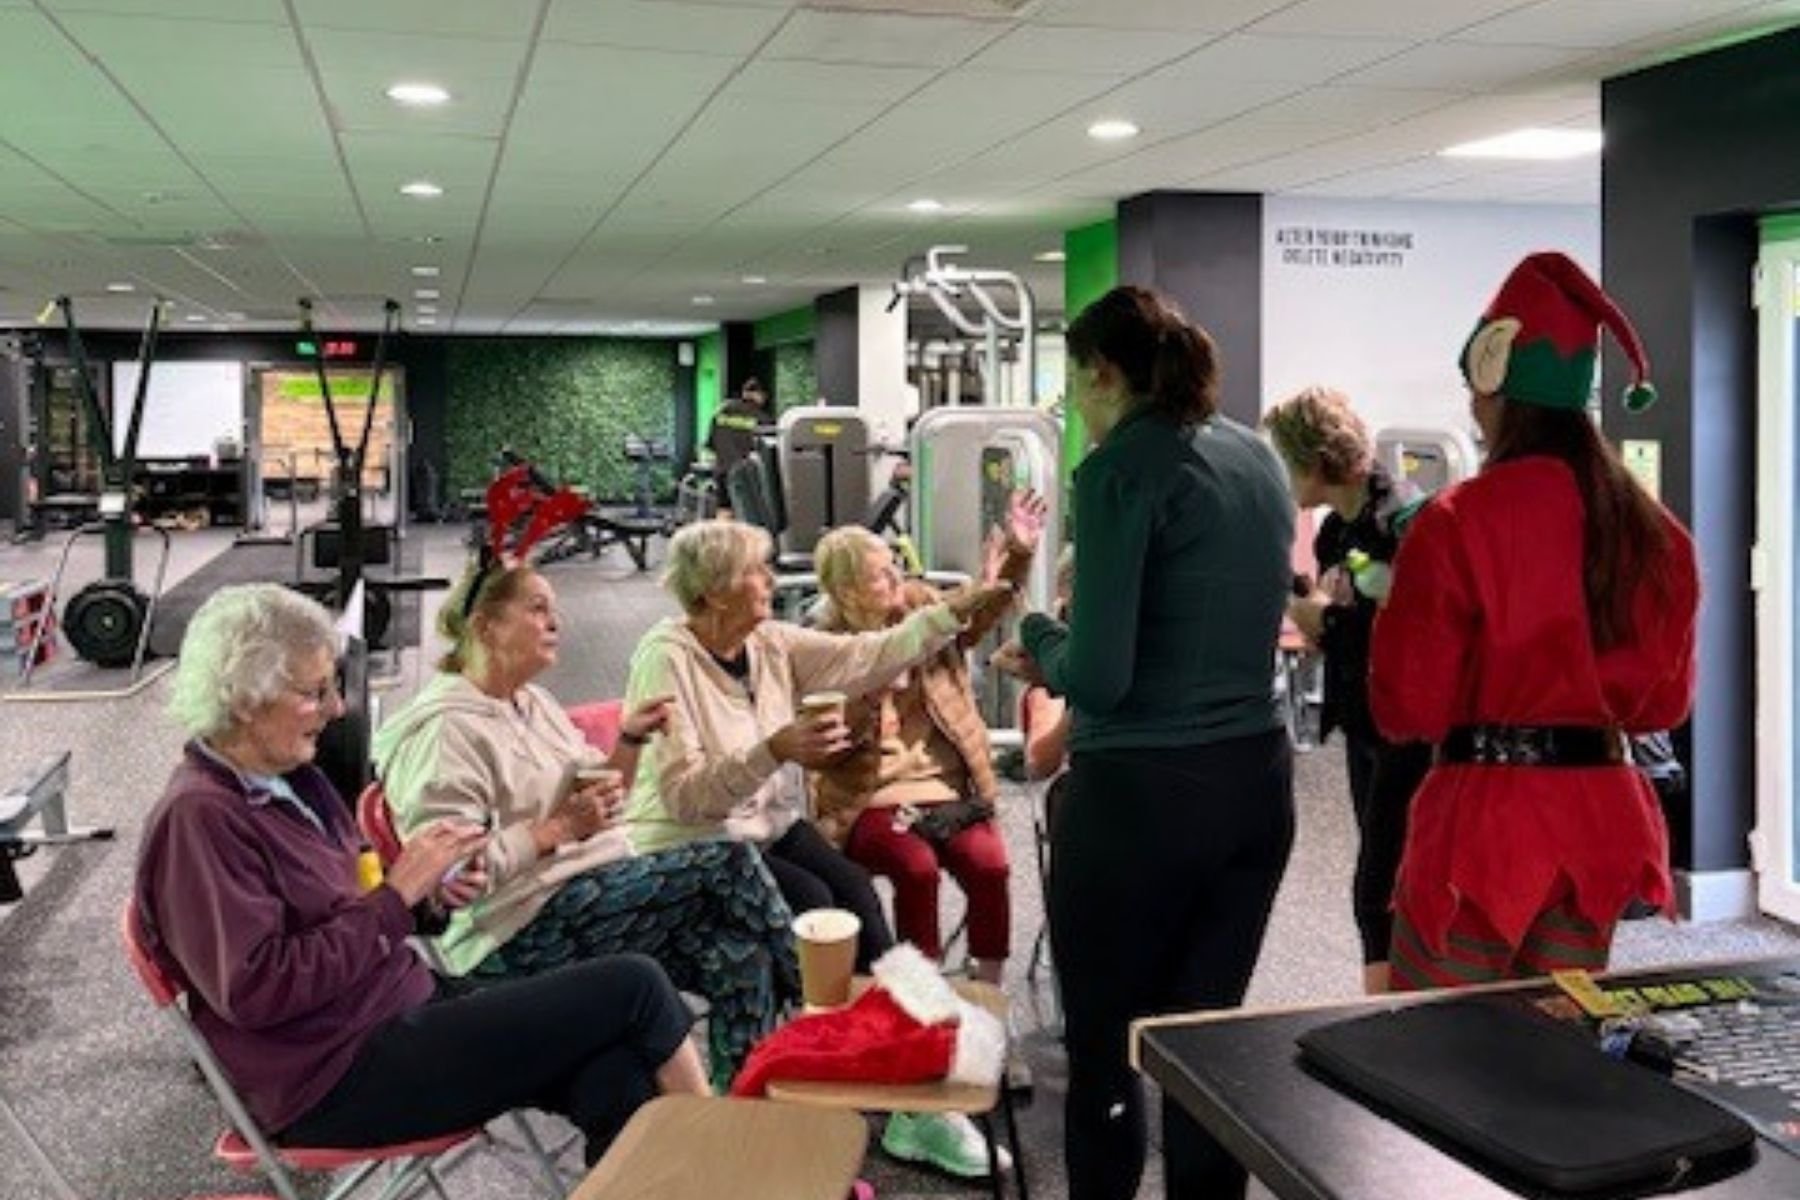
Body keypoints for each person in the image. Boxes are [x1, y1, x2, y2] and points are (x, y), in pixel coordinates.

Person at [134, 585, 706, 1166]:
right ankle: (731, 1165)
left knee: (616, 1077)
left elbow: (363, 903)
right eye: (315, 692)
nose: (337, 709)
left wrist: (428, 897)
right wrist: (396, 897)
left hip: (396, 1007)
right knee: (633, 985)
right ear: (244, 700)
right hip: (331, 1073)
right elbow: (259, 991)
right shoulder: (199, 818)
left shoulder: (294, 780)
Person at [993, 285, 1296, 1200]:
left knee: (1106, 1046)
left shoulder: (1122, 467)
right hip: (1257, 787)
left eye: (1076, 387)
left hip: (1142, 807)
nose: (1075, 411)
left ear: (1104, 373)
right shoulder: (1257, 456)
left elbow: (1098, 676)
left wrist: (1039, 637)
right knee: (1204, 1043)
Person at [623, 517, 1017, 1180]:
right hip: (696, 843)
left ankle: (908, 1089)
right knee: (814, 917)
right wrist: (773, 751)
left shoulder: (770, 641)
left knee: (859, 901)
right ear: (715, 592)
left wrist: (950, 612)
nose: (771, 581)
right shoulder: (664, 660)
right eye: (756, 571)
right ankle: (845, 1094)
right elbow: (689, 800)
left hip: (769, 826)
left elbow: (868, 656)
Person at [1369, 251, 1700, 991]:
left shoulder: (1455, 522)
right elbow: (1664, 706)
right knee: (1559, 1062)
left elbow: (1407, 707)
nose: (1470, 408)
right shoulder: (1657, 534)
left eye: (1474, 388)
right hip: (1602, 818)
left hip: (1481, 823)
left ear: (1498, 389)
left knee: (1440, 1061)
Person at [372, 561, 799, 1091]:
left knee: (742, 957)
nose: (556, 622)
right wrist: (556, 830)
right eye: (537, 609)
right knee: (728, 859)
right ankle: (823, 1008)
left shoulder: (533, 703)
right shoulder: (442, 732)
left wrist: (630, 742)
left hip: (588, 893)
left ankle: (745, 1131)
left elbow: (594, 806)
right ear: (484, 627)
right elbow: (449, 875)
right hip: (514, 933)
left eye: (555, 609)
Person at [808, 489, 1046, 985]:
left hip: (947, 787)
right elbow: (827, 747)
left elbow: (979, 611)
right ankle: (924, 994)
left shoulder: (920, 605)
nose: (897, 576)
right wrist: (869, 700)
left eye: (894, 563)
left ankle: (990, 994)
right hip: (870, 794)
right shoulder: (826, 644)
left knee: (991, 867)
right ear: (850, 591)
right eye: (880, 573)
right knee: (915, 870)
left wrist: (1019, 555)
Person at [1262, 386, 1434, 994]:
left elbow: (1416, 628)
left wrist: (1327, 621)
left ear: (1313, 461)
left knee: (1379, 886)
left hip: (1409, 732)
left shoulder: (1406, 523)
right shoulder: (1337, 529)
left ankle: (1393, 1021)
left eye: (1286, 459)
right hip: (1364, 723)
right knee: (1382, 874)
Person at [707, 377, 772, 516]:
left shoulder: (721, 412)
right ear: (759, 395)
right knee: (747, 513)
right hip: (747, 475)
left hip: (722, 471)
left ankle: (723, 537)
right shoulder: (762, 419)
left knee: (723, 511)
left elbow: (711, 444)